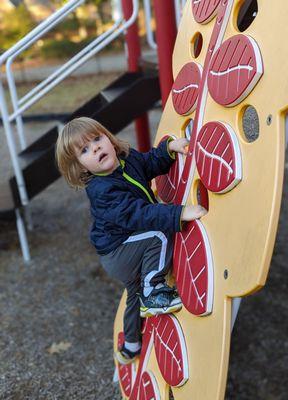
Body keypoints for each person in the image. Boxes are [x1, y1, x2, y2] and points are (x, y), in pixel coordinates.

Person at [55, 117, 206, 364]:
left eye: (96, 139)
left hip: (122, 248)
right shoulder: (102, 191)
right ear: (81, 167)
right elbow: (139, 215)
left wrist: (168, 151)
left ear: (108, 138)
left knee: (133, 293)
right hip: (119, 252)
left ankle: (130, 346)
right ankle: (154, 292)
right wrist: (179, 213)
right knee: (159, 232)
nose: (95, 148)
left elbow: (148, 163)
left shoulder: (127, 160)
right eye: (84, 150)